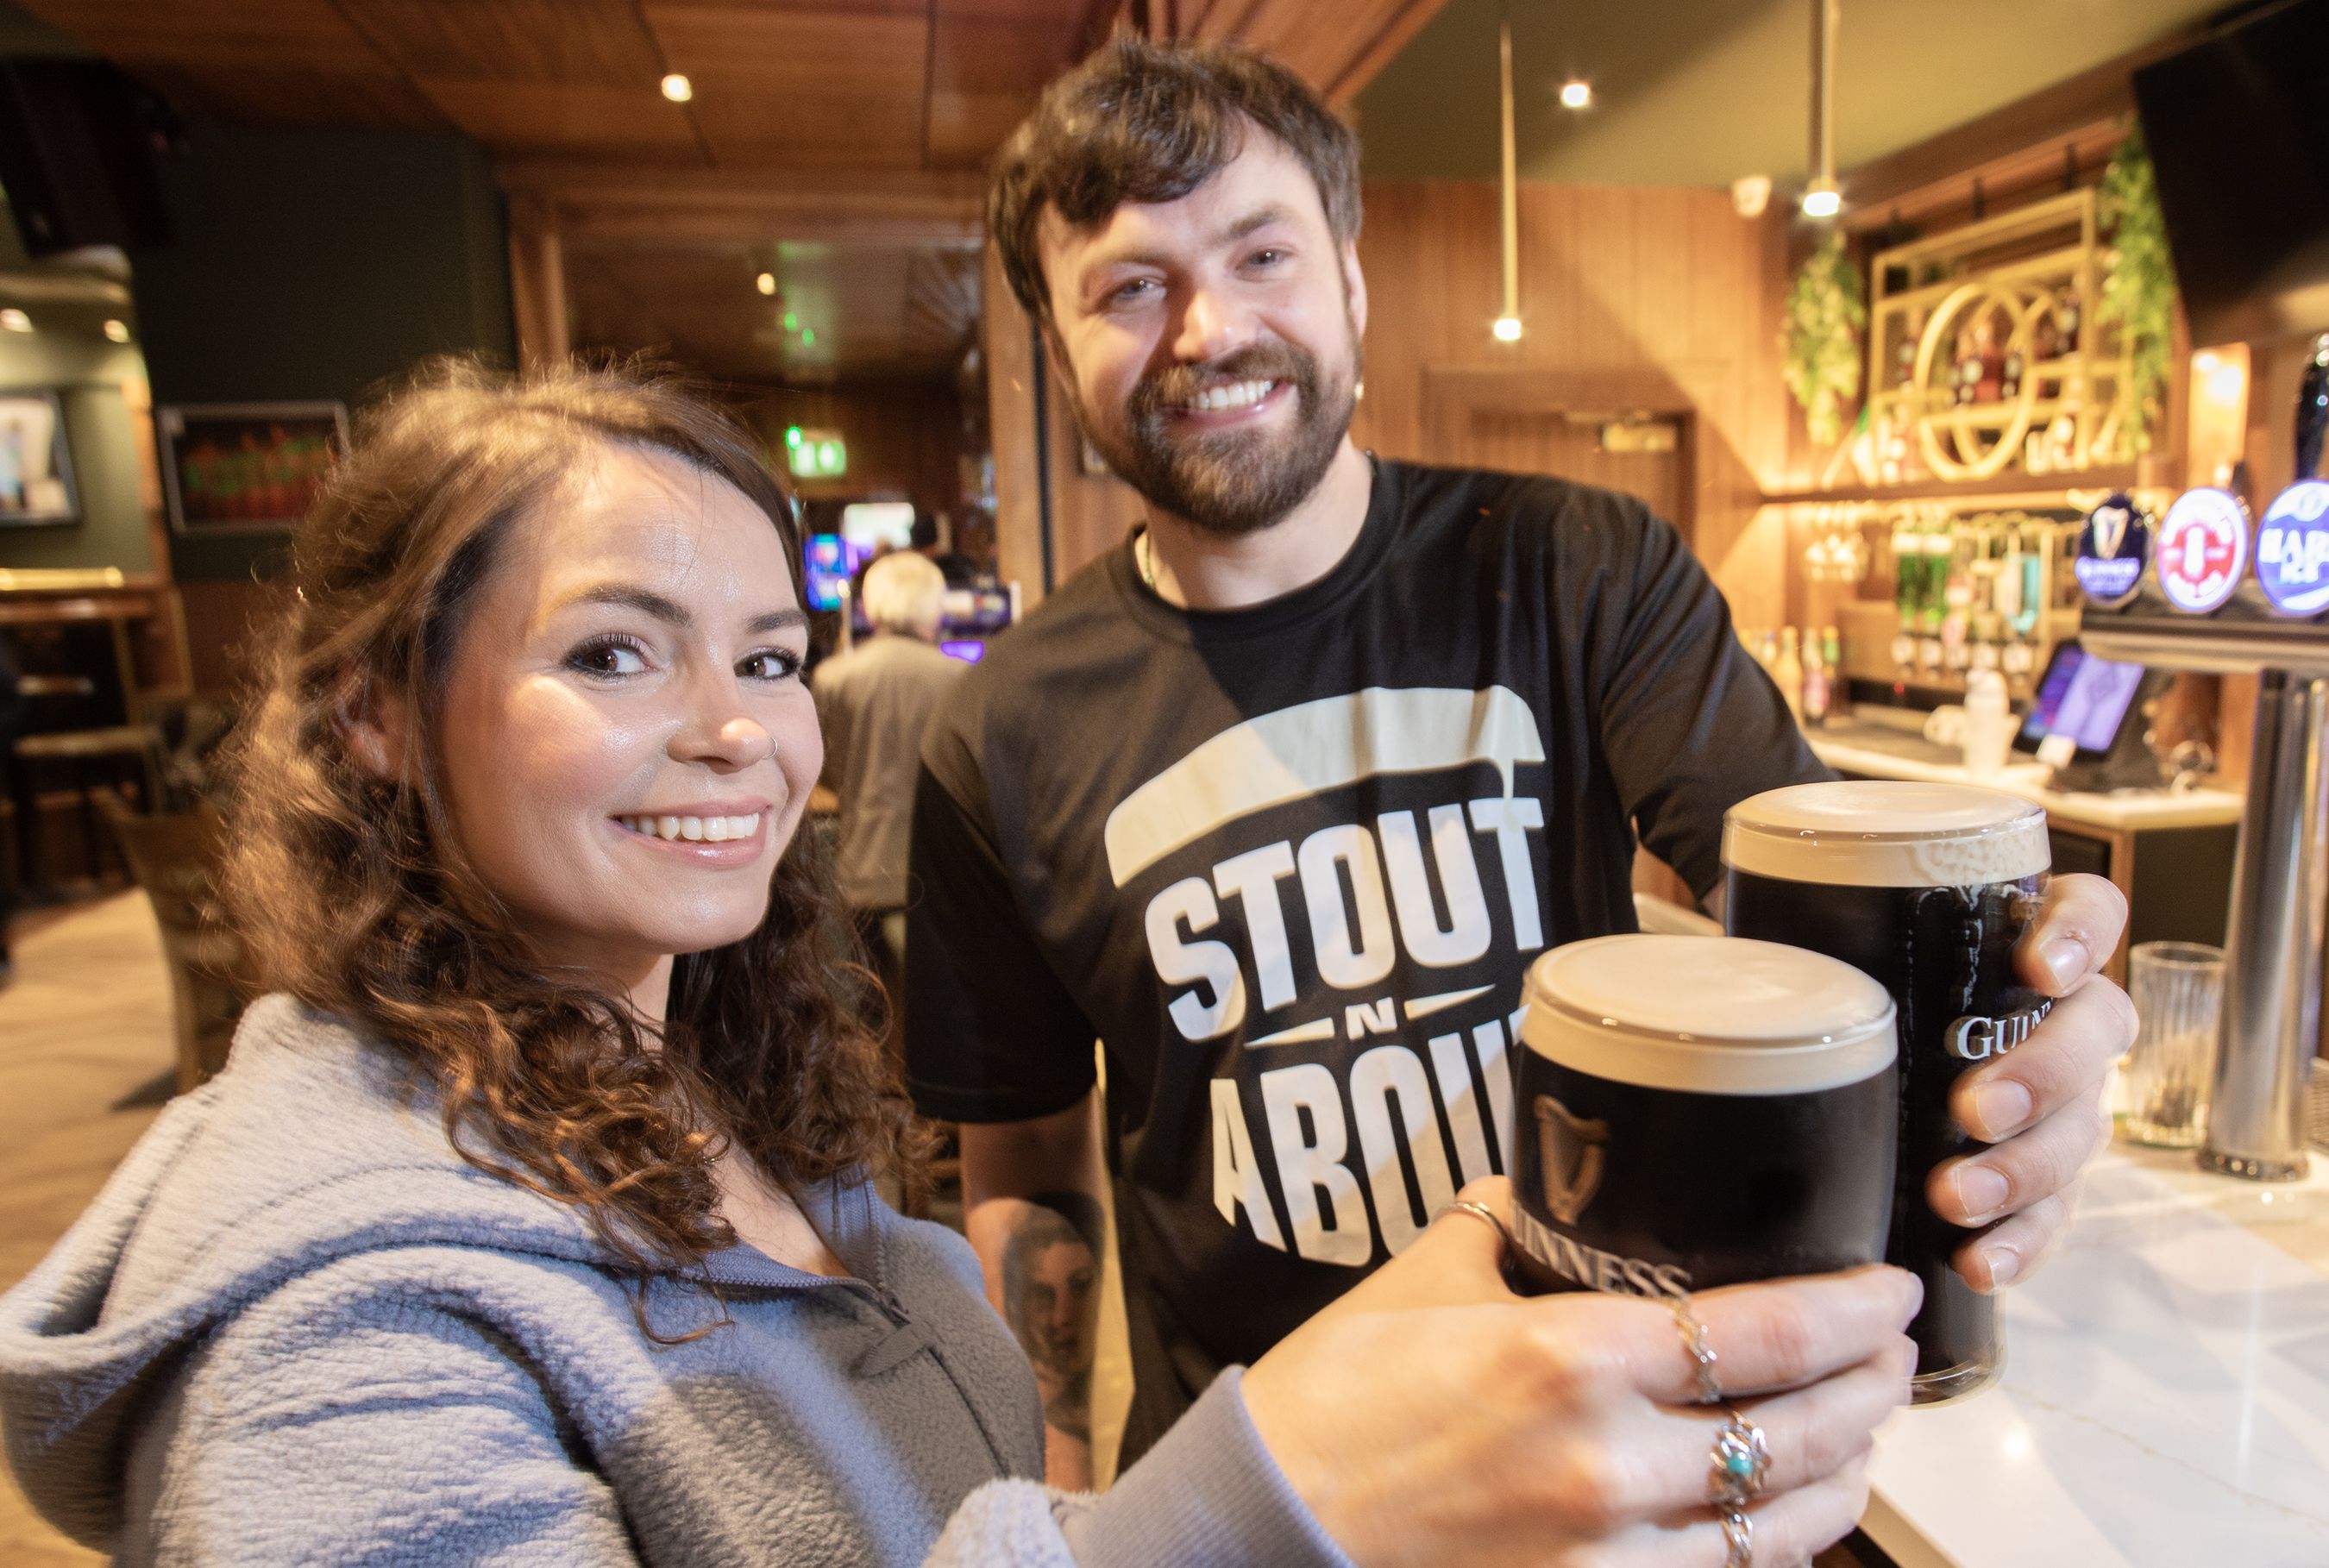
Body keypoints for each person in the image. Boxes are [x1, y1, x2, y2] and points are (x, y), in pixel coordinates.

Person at [0, 361, 1922, 1568]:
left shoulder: (718, 1096)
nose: (737, 729)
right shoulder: (329, 1343)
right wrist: (1271, 1513)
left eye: (765, 656)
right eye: (612, 653)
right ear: (375, 722)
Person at [905, 36, 2138, 1480]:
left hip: (1605, 1444)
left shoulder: (1574, 567)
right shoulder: (995, 729)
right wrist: (1055, 1493)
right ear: (1057, 352)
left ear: (1351, 278)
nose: (1205, 326)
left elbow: (1833, 929)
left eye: (1261, 252)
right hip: (1252, 1487)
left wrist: (2019, 1032)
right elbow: (1028, 1168)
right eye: (1129, 286)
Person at [812, 549, 964, 998]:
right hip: (937, 871)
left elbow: (828, 774)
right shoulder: (960, 678)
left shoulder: (833, 677)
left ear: (871, 606)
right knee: (932, 1010)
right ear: (934, 605)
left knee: (870, 1013)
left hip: (858, 870)